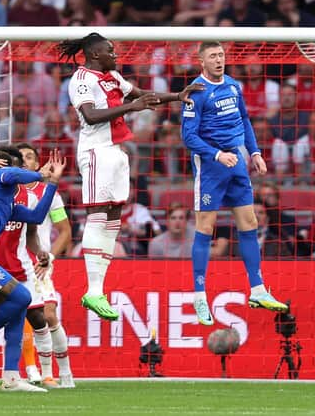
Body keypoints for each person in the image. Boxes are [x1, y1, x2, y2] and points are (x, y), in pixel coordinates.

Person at [57, 32, 201, 320]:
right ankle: (93, 290)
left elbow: (143, 97)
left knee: (113, 217)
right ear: (95, 53)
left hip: (117, 152)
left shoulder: (112, 76)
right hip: (96, 151)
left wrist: (177, 96)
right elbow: (90, 116)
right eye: (111, 51)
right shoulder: (81, 79)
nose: (116, 55)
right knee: (97, 215)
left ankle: (99, 289)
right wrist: (130, 107)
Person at [181, 41, 288, 326]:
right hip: (211, 167)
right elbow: (188, 137)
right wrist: (217, 154)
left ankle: (257, 290)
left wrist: (255, 153)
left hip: (238, 164)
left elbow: (245, 119)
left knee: (249, 224)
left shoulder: (232, 85)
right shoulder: (196, 92)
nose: (219, 60)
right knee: (205, 228)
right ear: (201, 61)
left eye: (221, 55)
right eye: (213, 56)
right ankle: (200, 296)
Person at [0, 148, 65, 392]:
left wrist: (52, 183)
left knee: (18, 309)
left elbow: (38, 217)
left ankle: (10, 378)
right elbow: (13, 173)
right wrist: (40, 175)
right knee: (17, 299)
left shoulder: (10, 204)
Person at [17, 142, 75, 388]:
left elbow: (65, 231)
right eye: (19, 158)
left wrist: (49, 257)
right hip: (11, 262)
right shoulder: (6, 191)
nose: (23, 161)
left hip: (39, 263)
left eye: (29, 157)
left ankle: (62, 373)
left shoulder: (48, 193)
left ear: (37, 164)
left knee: (48, 314)